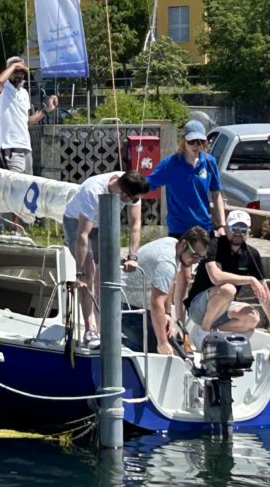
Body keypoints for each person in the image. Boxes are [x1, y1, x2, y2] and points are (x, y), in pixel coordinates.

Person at [63, 170, 150, 344]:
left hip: (104, 222)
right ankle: (90, 329)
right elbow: (82, 235)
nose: (134, 201)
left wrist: (132, 255)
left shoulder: (133, 185)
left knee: (105, 275)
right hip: (76, 223)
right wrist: (79, 272)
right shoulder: (93, 191)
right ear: (124, 194)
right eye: (132, 199)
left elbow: (135, 225)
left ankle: (105, 328)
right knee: (89, 273)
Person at [184, 209, 270, 349]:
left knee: (253, 318)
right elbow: (216, 278)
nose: (238, 232)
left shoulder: (251, 254)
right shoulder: (213, 245)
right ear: (226, 228)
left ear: (249, 231)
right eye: (234, 227)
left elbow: (263, 291)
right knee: (228, 289)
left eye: (242, 228)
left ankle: (213, 332)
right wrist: (250, 279)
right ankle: (202, 333)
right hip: (198, 307)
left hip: (223, 308)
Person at [122, 226, 209, 355]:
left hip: (142, 307)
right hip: (126, 307)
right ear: (184, 244)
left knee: (169, 339)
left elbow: (166, 284)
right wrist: (162, 343)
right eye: (194, 255)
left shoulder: (173, 244)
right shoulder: (167, 262)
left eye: (200, 258)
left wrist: (167, 314)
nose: (195, 261)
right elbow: (156, 302)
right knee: (154, 348)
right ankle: (119, 341)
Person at [146, 120, 228, 238]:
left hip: (204, 227)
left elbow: (216, 194)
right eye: (191, 141)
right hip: (179, 229)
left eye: (200, 141)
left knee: (209, 257)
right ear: (184, 141)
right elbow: (148, 184)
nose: (196, 145)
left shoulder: (209, 162)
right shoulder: (170, 164)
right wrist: (130, 189)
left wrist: (221, 225)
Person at [0, 57, 58, 175]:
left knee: (28, 188)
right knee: (18, 185)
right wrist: (14, 66)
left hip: (26, 146)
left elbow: (27, 121)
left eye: (22, 71)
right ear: (9, 70)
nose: (19, 74)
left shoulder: (24, 93)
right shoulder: (2, 89)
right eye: (16, 71)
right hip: (10, 146)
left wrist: (46, 110)